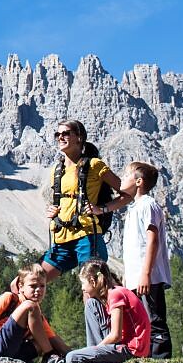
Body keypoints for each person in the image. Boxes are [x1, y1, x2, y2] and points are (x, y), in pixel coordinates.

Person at [40, 119, 122, 282]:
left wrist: (102, 209)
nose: (60, 137)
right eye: (58, 134)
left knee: (90, 290)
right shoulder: (57, 170)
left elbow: (126, 193)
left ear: (79, 137)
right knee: (30, 281)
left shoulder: (94, 165)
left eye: (65, 134)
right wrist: (53, 210)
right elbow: (63, 201)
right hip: (61, 238)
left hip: (87, 236)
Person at [112, 161, 172, 358]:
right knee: (140, 322)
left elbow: (152, 240)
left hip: (148, 277)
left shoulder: (148, 204)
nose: (122, 179)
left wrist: (145, 273)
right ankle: (144, 358)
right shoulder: (134, 207)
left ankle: (161, 362)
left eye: (126, 175)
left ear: (138, 181)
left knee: (154, 321)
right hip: (136, 278)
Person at [64, 261, 151, 363]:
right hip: (126, 347)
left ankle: (99, 360)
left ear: (92, 282)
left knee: (72, 359)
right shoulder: (114, 292)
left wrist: (96, 350)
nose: (82, 288)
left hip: (132, 351)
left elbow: (116, 335)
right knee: (91, 303)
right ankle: (99, 358)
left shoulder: (115, 295)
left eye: (83, 283)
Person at [0, 265, 70, 363]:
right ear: (21, 286)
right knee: (29, 306)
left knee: (44, 340)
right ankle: (49, 356)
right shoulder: (10, 299)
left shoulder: (36, 314)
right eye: (33, 286)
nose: (38, 290)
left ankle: (49, 358)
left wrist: (75, 357)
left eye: (42, 286)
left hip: (13, 353)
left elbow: (54, 340)